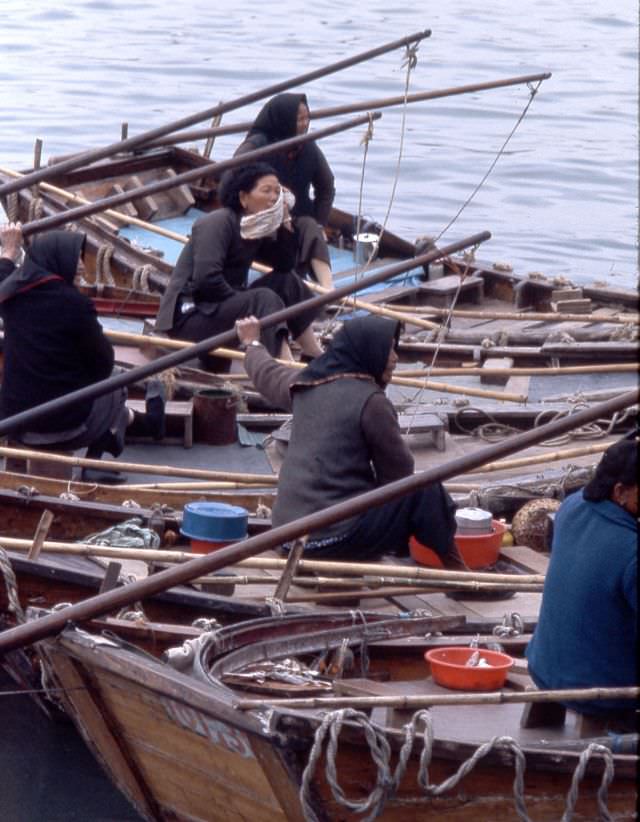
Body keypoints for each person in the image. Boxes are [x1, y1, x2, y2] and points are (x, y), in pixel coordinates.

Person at [235, 313, 466, 568]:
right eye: (389, 351)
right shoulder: (372, 402)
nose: (395, 359)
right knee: (425, 488)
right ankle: (458, 572)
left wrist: (251, 343)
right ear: (370, 352)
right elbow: (399, 475)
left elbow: (267, 373)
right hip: (331, 539)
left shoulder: (305, 383)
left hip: (285, 536)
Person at [0, 224, 165, 483]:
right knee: (115, 381)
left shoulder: (10, 297)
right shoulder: (75, 305)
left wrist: (9, 250)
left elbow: (4, 277)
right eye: (75, 256)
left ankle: (148, 423)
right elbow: (102, 363)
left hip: (13, 417)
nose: (80, 265)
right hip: (58, 425)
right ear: (58, 260)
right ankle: (97, 457)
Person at [155, 162, 324, 367]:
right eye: (266, 191)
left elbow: (284, 265)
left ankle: (313, 353)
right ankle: (284, 365)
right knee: (262, 299)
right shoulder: (217, 222)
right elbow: (207, 281)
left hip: (222, 308)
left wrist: (285, 223)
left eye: (278, 192)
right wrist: (246, 303)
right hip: (190, 317)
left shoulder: (256, 227)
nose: (274, 197)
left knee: (287, 281)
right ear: (244, 197)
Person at [526, 437, 638, 728]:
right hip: (601, 689)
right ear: (621, 492)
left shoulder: (570, 506)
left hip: (543, 666)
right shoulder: (631, 552)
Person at [235, 93, 334, 288]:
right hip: (259, 220)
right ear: (285, 120)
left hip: (290, 220)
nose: (305, 124)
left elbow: (326, 186)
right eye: (299, 119)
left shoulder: (309, 147)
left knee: (311, 228)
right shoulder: (258, 145)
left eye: (307, 118)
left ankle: (328, 290)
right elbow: (232, 177)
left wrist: (321, 223)